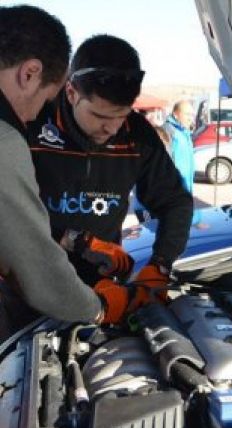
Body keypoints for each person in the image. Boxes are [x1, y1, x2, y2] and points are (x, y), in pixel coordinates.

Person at [28, 35, 193, 302]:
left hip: (101, 286)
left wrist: (160, 264)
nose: (112, 128)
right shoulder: (35, 121)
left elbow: (175, 202)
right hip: (28, 283)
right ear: (71, 93)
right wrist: (74, 239)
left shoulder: (137, 134)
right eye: (100, 116)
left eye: (122, 115)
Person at [0, 6, 130, 336]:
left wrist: (69, 238)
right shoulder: (4, 139)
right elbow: (35, 270)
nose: (34, 118)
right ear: (29, 73)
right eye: (46, 101)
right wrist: (98, 308)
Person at [165, 100, 209, 229]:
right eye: (187, 114)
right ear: (175, 114)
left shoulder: (184, 132)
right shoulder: (169, 131)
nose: (191, 118)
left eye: (192, 114)